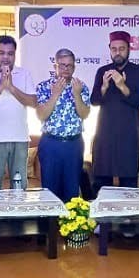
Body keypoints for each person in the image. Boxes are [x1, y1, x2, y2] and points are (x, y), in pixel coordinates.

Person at [90, 31, 139, 194]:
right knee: (102, 185)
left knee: (128, 186)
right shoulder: (103, 71)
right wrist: (104, 87)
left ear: (129, 49)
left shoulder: (138, 71)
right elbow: (94, 101)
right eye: (114, 49)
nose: (117, 53)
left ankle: (128, 212)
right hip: (105, 136)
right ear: (109, 49)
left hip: (128, 136)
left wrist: (122, 85)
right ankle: (102, 212)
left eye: (121, 49)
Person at [0, 35, 37, 190]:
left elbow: (33, 102)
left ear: (15, 55)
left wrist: (11, 87)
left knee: (19, 187)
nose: (5, 57)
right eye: (1, 53)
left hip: (20, 138)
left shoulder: (24, 74)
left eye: (10, 53)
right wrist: (0, 86)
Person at [35, 48, 91, 202]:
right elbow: (41, 115)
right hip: (51, 144)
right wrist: (55, 94)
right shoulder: (44, 87)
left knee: (72, 192)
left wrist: (77, 95)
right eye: (62, 65)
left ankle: (70, 218)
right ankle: (51, 219)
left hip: (74, 144)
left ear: (74, 67)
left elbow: (84, 114)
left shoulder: (80, 87)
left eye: (70, 65)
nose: (66, 69)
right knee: (50, 192)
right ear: (55, 66)